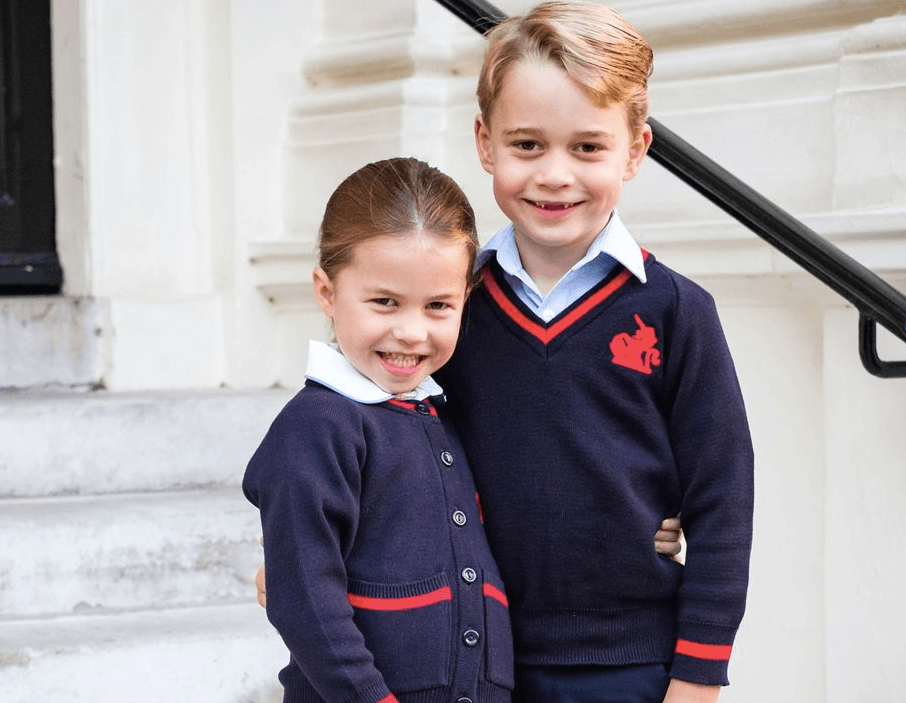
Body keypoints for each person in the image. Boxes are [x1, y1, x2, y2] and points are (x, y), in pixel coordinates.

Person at [433, 2, 755, 702]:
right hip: (470, 654)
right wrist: (296, 541)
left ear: (635, 150)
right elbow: (362, 427)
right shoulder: (449, 306)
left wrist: (699, 673)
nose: (554, 175)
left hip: (629, 665)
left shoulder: (677, 311)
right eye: (527, 145)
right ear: (486, 143)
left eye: (586, 147)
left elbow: (724, 498)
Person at [243, 157, 516, 703]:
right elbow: (305, 602)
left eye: (438, 305)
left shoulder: (445, 413)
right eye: (384, 302)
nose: (411, 332)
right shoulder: (319, 426)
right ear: (326, 291)